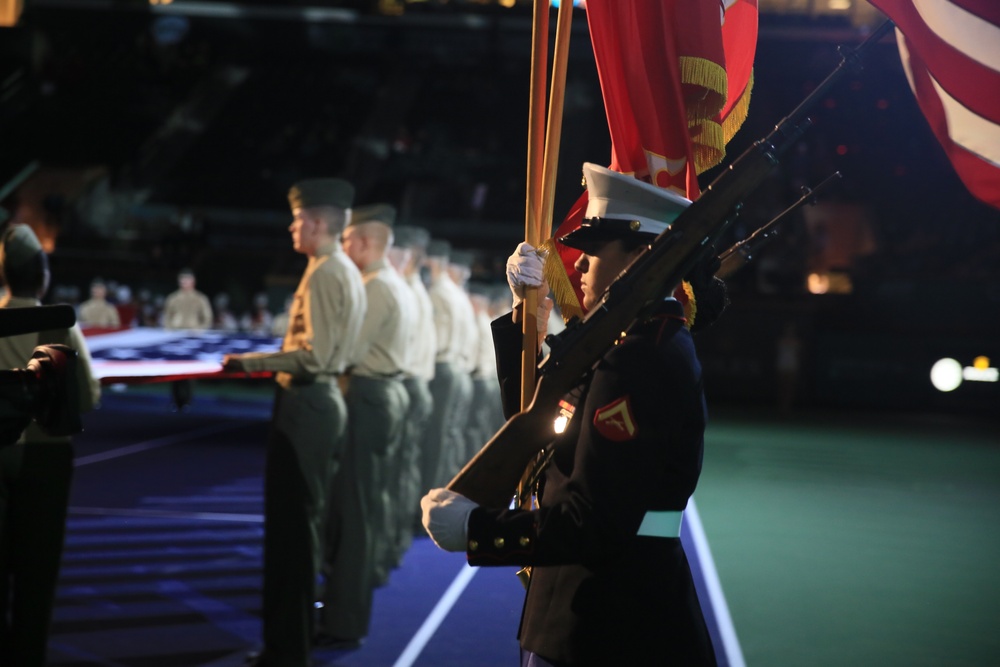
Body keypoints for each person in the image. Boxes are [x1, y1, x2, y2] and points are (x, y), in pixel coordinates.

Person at [421, 163, 718, 666]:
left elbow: (595, 520)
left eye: (595, 252)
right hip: (586, 603)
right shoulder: (628, 343)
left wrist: (481, 532)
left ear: (641, 259)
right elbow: (541, 418)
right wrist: (526, 321)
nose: (577, 265)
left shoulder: (642, 358)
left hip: (611, 617)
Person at [221, 178, 367, 667]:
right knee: (297, 531)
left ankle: (287, 649)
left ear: (319, 222)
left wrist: (251, 362)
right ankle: (289, 644)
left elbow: (314, 356)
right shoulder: (336, 269)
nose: (292, 225)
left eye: (299, 218)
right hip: (317, 404)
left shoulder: (326, 272)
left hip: (308, 404)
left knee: (293, 535)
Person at [0, 223, 101, 667]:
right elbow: (88, 397)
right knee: (36, 575)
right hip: (45, 458)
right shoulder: (59, 324)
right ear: (41, 276)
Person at [318, 203, 414, 646]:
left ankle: (342, 621)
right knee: (366, 505)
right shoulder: (392, 284)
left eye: (349, 239)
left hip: (369, 394)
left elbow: (346, 352)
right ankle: (346, 613)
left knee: (355, 511)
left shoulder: (376, 287)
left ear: (363, 242)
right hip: (385, 393)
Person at [386, 225, 436, 550]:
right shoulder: (414, 290)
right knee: (404, 466)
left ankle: (389, 542)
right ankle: (395, 540)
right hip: (416, 383)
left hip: (405, 382)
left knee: (392, 472)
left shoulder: (402, 289)